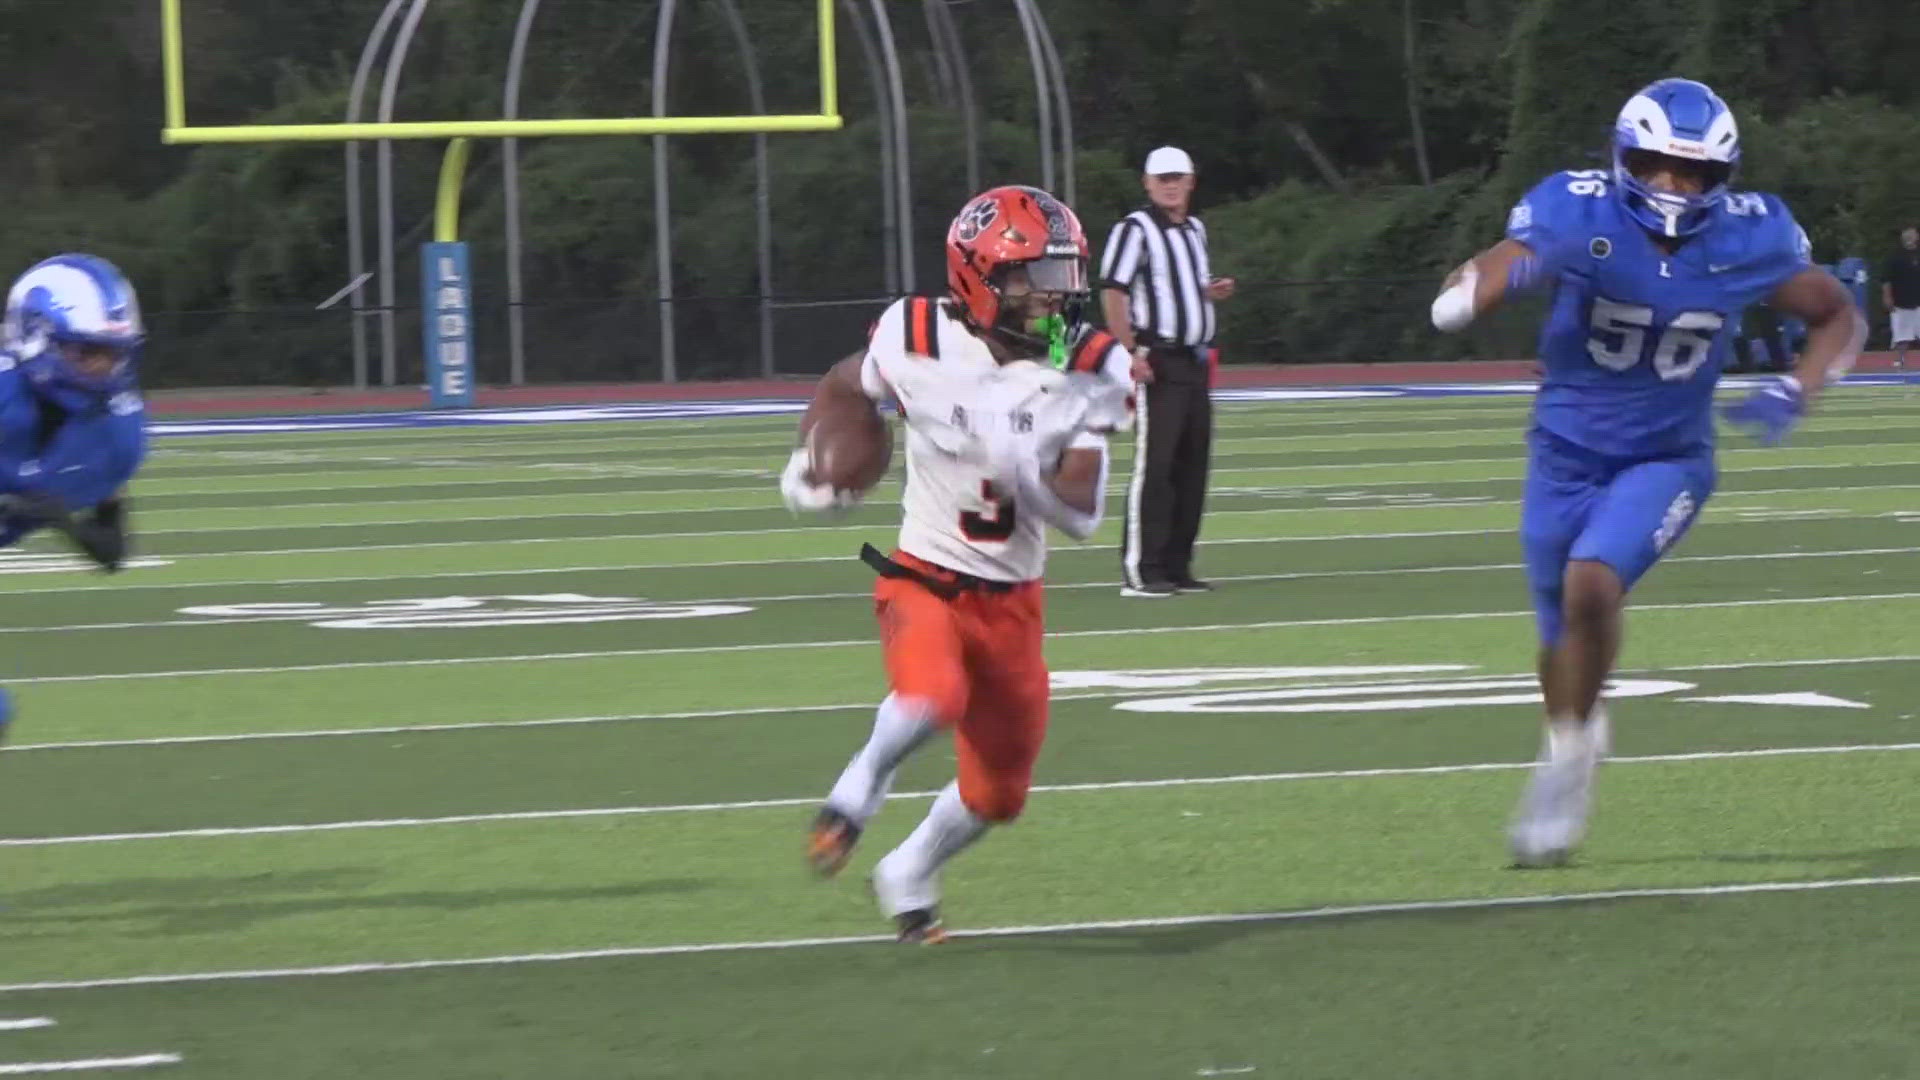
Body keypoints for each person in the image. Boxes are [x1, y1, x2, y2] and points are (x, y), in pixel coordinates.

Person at [1428, 78, 1864, 867]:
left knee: (1592, 585)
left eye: (1693, 173)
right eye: (1659, 165)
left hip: (1668, 455)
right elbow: (1503, 260)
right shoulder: (1576, 207)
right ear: (1627, 158)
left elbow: (1837, 311)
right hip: (1562, 452)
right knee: (1559, 635)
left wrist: (1801, 387)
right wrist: (1475, 290)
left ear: (1719, 178)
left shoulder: (1750, 235)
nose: (1674, 185)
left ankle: (1563, 774)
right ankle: (1572, 740)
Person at [781, 185, 1131, 942]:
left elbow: (1083, 514)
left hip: (1013, 599)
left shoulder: (1090, 366)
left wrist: (1024, 470)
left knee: (999, 793)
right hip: (924, 575)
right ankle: (859, 787)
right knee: (931, 693)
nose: (1054, 296)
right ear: (979, 278)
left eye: (1064, 276)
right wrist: (818, 454)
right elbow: (847, 383)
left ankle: (908, 870)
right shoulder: (913, 334)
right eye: (1033, 277)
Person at [0, 254, 150, 741]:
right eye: (86, 353)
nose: (103, 370)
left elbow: (110, 551)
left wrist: (65, 522)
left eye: (112, 354)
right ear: (36, 336)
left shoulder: (114, 433)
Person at [1098, 146, 1234, 597]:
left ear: (1191, 181)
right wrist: (1130, 350)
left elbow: (1176, 289)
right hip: (1158, 359)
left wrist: (1208, 294)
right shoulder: (1134, 230)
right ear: (1148, 183)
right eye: (1162, 178)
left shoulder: (1195, 229)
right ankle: (1143, 568)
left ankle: (1178, 565)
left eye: (1178, 177)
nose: (1170, 185)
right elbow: (1114, 292)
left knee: (1192, 464)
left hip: (1195, 359)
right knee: (1156, 466)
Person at [1881, 227, 1920, 373]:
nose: (1910, 237)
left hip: (1918, 302)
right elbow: (1886, 279)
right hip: (1900, 303)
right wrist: (1887, 296)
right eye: (1907, 235)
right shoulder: (1895, 257)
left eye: (1912, 235)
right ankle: (1901, 361)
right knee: (1902, 336)